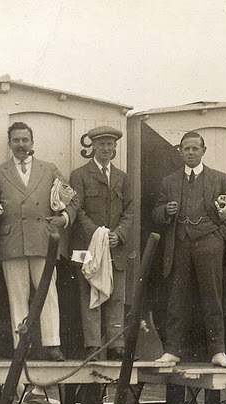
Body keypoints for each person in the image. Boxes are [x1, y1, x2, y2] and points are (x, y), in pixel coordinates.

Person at [152, 131, 226, 368]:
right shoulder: (169, 181)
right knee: (177, 298)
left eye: (195, 148)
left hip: (209, 244)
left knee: (212, 297)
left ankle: (218, 351)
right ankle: (173, 350)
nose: (190, 152)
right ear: (180, 151)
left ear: (204, 151)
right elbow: (156, 212)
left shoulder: (220, 179)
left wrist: (219, 238)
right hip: (180, 243)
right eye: (186, 148)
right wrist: (166, 211)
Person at [0, 122, 77, 361]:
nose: (20, 145)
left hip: (43, 240)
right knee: (17, 296)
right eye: (16, 140)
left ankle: (52, 344)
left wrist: (64, 217)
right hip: (12, 242)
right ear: (9, 144)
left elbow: (71, 199)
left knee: (47, 292)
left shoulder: (49, 170)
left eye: (25, 140)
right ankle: (22, 346)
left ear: (32, 143)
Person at [69, 126, 134, 361]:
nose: (106, 149)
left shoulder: (122, 178)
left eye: (110, 145)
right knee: (89, 294)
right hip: (86, 247)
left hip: (116, 247)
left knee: (116, 295)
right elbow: (77, 210)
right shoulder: (79, 175)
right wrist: (98, 235)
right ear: (93, 147)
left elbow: (129, 211)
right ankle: (93, 346)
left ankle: (116, 345)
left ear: (115, 147)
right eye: (101, 144)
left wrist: (120, 234)